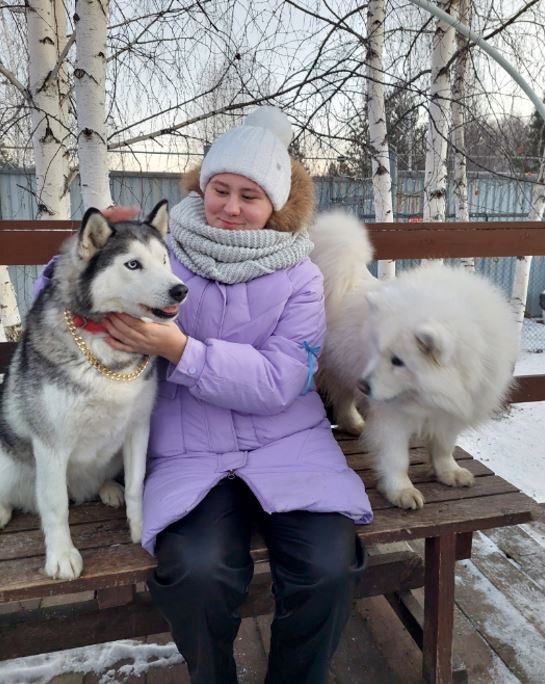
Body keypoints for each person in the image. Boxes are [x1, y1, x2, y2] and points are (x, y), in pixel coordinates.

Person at [46, 106, 373, 683]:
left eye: (250, 196)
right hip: (185, 449)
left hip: (288, 446)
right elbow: (70, 287)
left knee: (327, 568)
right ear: (201, 186)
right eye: (220, 188)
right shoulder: (160, 247)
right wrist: (90, 247)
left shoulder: (300, 274)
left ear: (276, 205)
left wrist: (181, 351)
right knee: (196, 574)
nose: (230, 207)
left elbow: (283, 380)